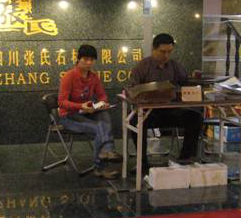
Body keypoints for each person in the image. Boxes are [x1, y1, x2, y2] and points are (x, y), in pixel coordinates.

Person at [128, 33, 204, 175]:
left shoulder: (174, 65)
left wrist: (193, 79)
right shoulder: (142, 66)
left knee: (195, 117)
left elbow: (185, 82)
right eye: (162, 52)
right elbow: (133, 89)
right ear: (154, 49)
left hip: (170, 110)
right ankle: (142, 162)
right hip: (150, 112)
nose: (166, 56)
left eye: (169, 52)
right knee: (135, 122)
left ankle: (186, 158)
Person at [58, 44, 122, 179]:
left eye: (92, 60)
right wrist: (80, 106)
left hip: (86, 112)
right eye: (85, 59)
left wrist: (102, 103)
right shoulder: (69, 76)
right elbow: (62, 102)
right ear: (78, 59)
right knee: (100, 128)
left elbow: (102, 95)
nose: (89, 63)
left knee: (104, 114)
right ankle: (102, 162)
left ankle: (106, 152)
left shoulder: (93, 77)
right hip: (69, 116)